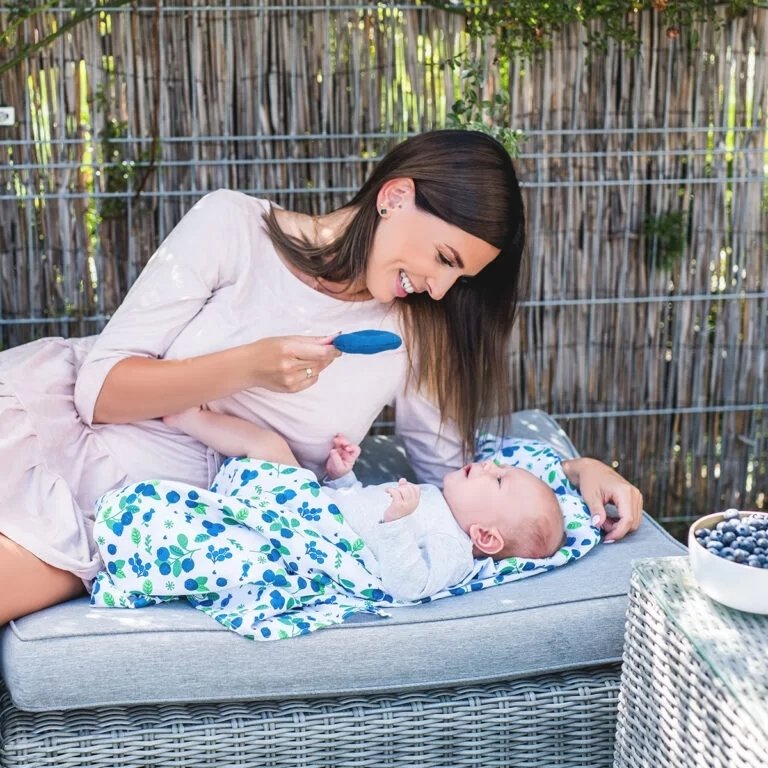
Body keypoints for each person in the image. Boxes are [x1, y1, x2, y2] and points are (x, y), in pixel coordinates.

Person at [0, 129, 643, 624]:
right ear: (395, 197)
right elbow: (99, 393)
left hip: (141, 517)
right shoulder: (233, 227)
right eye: (445, 258)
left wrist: (574, 469)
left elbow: (457, 474)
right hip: (41, 425)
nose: (442, 289)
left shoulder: (417, 334)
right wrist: (250, 366)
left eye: (460, 277)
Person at [155, 406, 567, 602]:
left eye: (498, 479)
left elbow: (409, 585)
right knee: (267, 447)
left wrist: (399, 522)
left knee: (267, 446)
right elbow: (364, 510)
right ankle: (191, 421)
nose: (490, 465)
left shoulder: (454, 548)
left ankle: (184, 415)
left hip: (318, 534)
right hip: (319, 511)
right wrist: (343, 478)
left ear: (486, 537)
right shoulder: (434, 499)